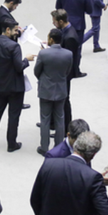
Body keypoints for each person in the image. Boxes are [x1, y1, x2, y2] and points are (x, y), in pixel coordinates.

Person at [30, 131, 108, 215]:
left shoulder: (48, 165)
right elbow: (106, 214)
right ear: (93, 155)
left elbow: (35, 199)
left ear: (76, 146)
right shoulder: (93, 177)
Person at [0, 19, 35, 152]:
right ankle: (11, 144)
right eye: (15, 30)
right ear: (7, 30)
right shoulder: (14, 46)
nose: (17, 33)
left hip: (0, 84)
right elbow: (19, 67)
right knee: (13, 116)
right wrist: (26, 60)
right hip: (15, 87)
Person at [34, 28, 72, 156]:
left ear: (50, 39)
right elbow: (67, 71)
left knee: (45, 119)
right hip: (61, 90)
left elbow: (36, 71)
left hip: (46, 90)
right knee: (60, 119)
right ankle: (59, 147)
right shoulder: (68, 54)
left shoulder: (43, 54)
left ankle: (44, 147)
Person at [56, 0, 91, 77]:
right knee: (77, 49)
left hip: (64, 24)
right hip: (78, 25)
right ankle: (75, 71)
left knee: (62, 46)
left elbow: (58, 7)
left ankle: (62, 69)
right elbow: (89, 10)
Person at [51, 9, 80, 130]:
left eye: (54, 21)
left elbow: (67, 59)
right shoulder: (64, 31)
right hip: (61, 73)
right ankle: (52, 123)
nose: (53, 24)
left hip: (64, 74)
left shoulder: (70, 37)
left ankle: (65, 127)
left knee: (64, 100)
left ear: (61, 21)